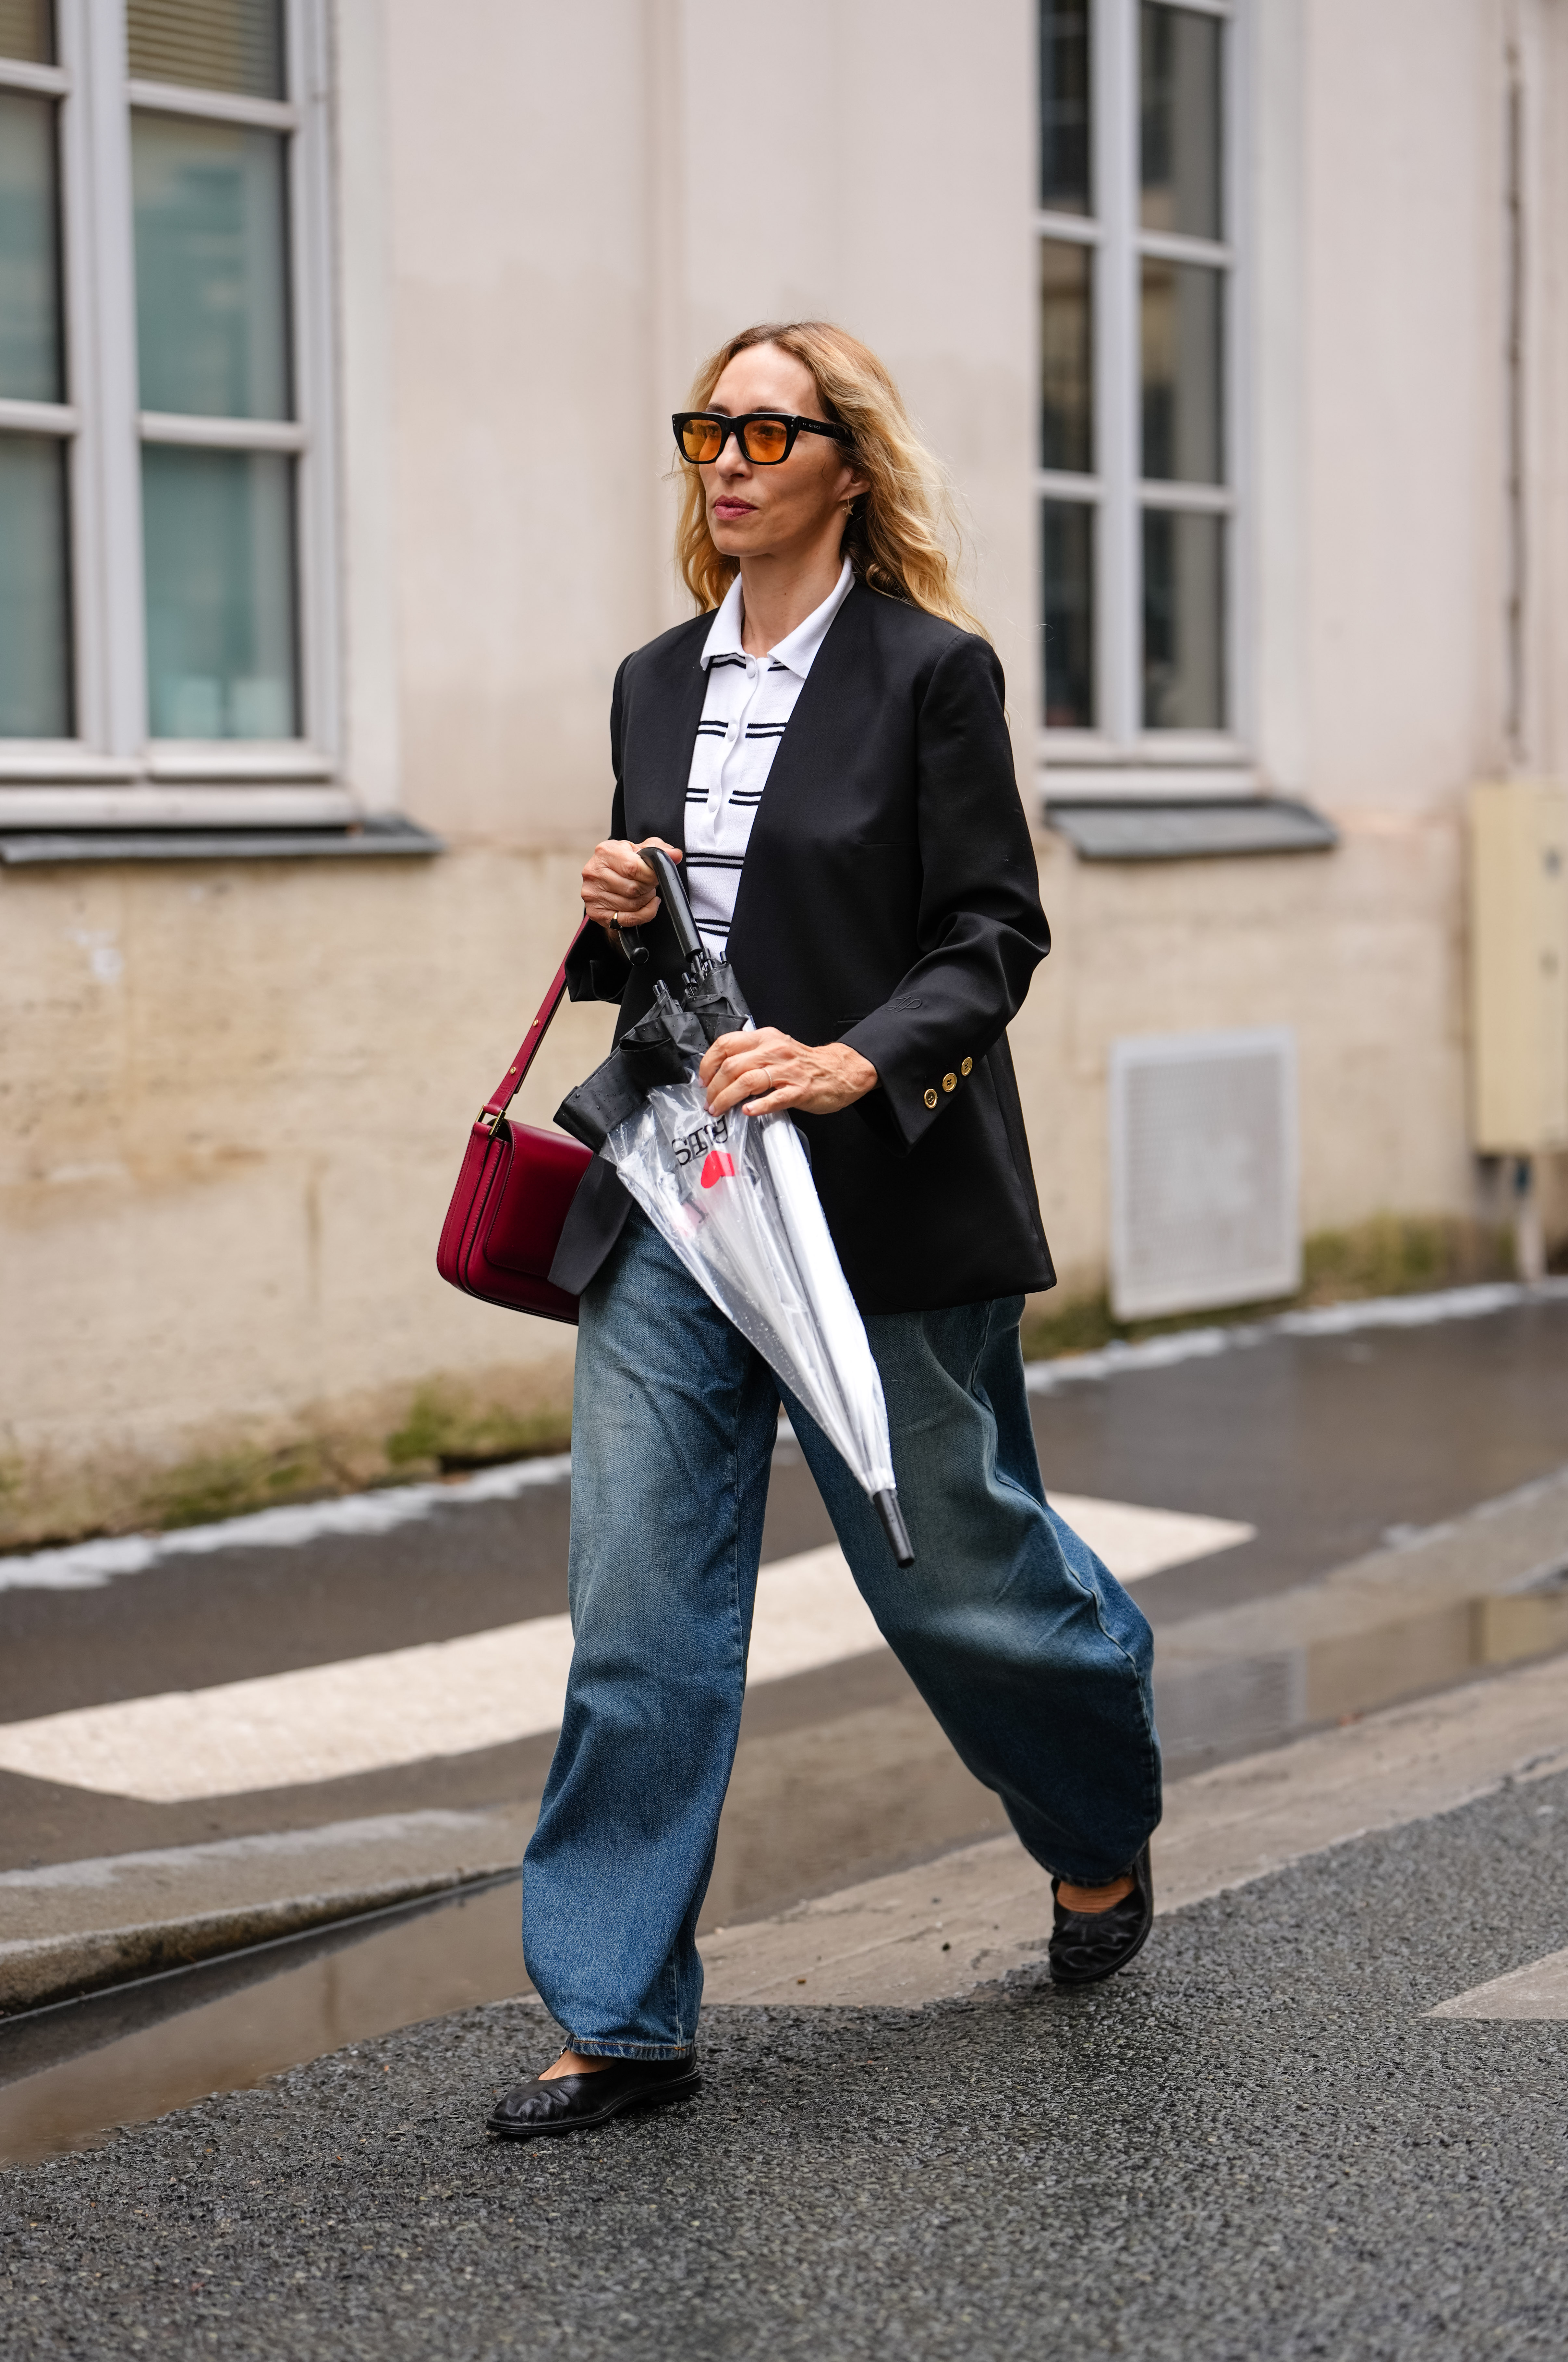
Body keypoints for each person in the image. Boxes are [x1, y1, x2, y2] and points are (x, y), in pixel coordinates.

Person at [487, 322, 1160, 2143]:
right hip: (680, 1197)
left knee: (956, 1581)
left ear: (848, 467)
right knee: (638, 1612)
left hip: (876, 1200)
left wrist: (858, 1060)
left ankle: (1096, 1813)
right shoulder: (654, 681)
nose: (728, 457)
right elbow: (671, 956)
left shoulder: (932, 673)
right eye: (709, 426)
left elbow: (991, 933)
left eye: (769, 431)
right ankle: (618, 2015)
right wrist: (626, 911)